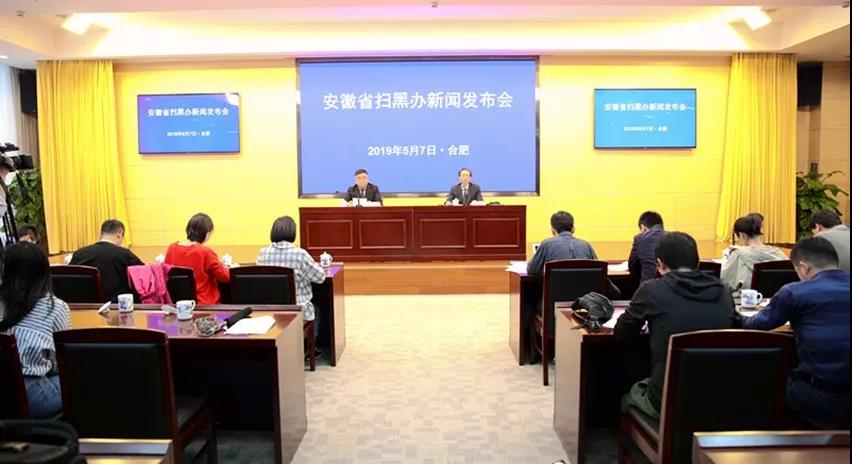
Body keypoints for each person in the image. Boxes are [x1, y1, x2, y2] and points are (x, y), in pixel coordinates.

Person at [615, 232, 737, 419]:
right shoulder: (724, 292)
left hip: (667, 401)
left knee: (626, 397)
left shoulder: (652, 290)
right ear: (698, 263)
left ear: (659, 264)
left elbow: (622, 334)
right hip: (719, 397)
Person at [740, 237, 849, 429]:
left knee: (760, 383)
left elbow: (756, 325)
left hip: (819, 395)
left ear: (804, 267)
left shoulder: (795, 292)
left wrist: (735, 316)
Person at [0, 242, 71, 418]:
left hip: (3, 392)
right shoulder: (55, 307)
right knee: (82, 378)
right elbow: (63, 362)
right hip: (32, 397)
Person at [256, 216, 326, 335]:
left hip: (270, 311)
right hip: (297, 311)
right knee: (318, 308)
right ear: (293, 233)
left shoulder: (263, 253)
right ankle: (311, 344)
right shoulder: (300, 254)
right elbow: (320, 278)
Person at [69, 219, 144, 302]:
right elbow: (143, 275)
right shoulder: (124, 254)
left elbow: (68, 277)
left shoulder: (80, 253)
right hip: (117, 305)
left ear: (101, 235)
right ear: (119, 235)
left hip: (85, 304)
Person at [164, 213, 230, 304]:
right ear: (207, 234)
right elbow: (225, 277)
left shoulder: (171, 249)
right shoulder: (206, 252)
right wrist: (230, 268)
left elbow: (166, 274)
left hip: (178, 304)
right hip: (204, 305)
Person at [720, 214, 788, 297]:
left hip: (744, 301)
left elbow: (724, 280)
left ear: (742, 235)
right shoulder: (778, 253)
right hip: (776, 299)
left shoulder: (738, 254)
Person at [527, 211, 597, 275]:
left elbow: (532, 270)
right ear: (573, 229)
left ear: (552, 230)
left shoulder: (546, 244)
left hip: (556, 285)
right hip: (584, 285)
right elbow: (598, 269)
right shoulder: (586, 245)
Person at [628, 211, 665, 283]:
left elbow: (632, 268)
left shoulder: (640, 238)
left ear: (643, 227)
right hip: (674, 288)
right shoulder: (676, 238)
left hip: (648, 287)